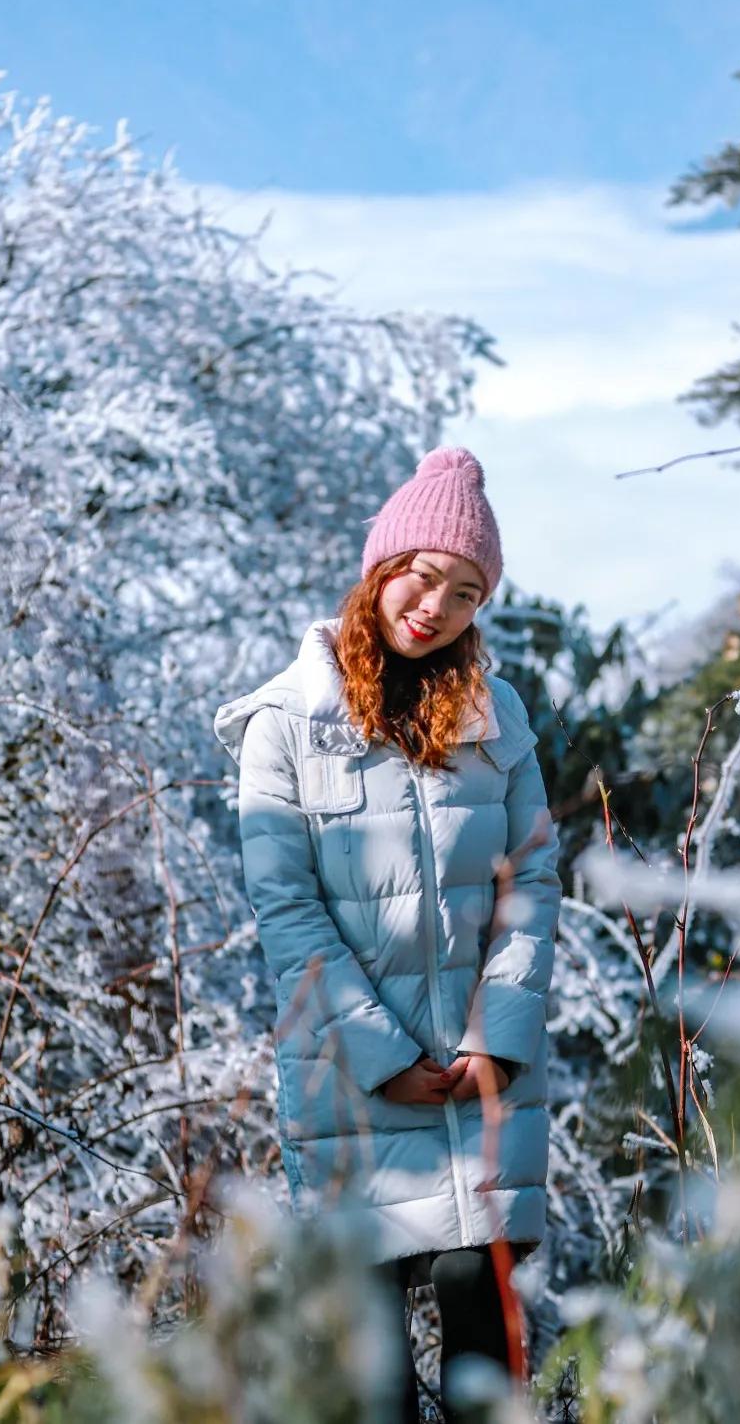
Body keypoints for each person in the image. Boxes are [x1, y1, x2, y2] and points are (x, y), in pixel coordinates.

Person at [213, 446, 562, 1423]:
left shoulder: (498, 718)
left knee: (482, 1330)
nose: (436, 606)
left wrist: (498, 1041)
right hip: (353, 1083)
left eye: (466, 591)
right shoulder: (286, 725)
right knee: (369, 1375)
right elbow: (287, 910)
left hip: (483, 1083)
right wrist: (383, 1057)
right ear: (380, 568)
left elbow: (533, 880)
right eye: (423, 574)